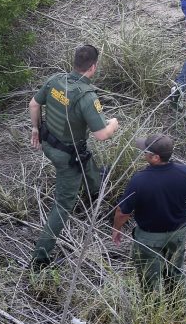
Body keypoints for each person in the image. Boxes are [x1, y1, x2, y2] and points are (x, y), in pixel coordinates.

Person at [28, 44, 120, 269]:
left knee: (86, 162)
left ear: (75, 62)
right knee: (62, 205)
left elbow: (34, 103)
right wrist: (114, 124)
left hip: (48, 143)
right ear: (93, 67)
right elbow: (100, 135)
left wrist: (35, 129)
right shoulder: (87, 96)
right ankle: (39, 258)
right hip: (66, 157)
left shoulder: (55, 79)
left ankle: (96, 193)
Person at [112, 134, 186, 295]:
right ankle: (177, 306)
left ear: (155, 157)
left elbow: (122, 212)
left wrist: (116, 229)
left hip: (149, 238)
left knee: (149, 277)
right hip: (177, 234)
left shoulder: (139, 180)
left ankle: (152, 311)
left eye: (146, 151)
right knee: (175, 271)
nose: (143, 153)